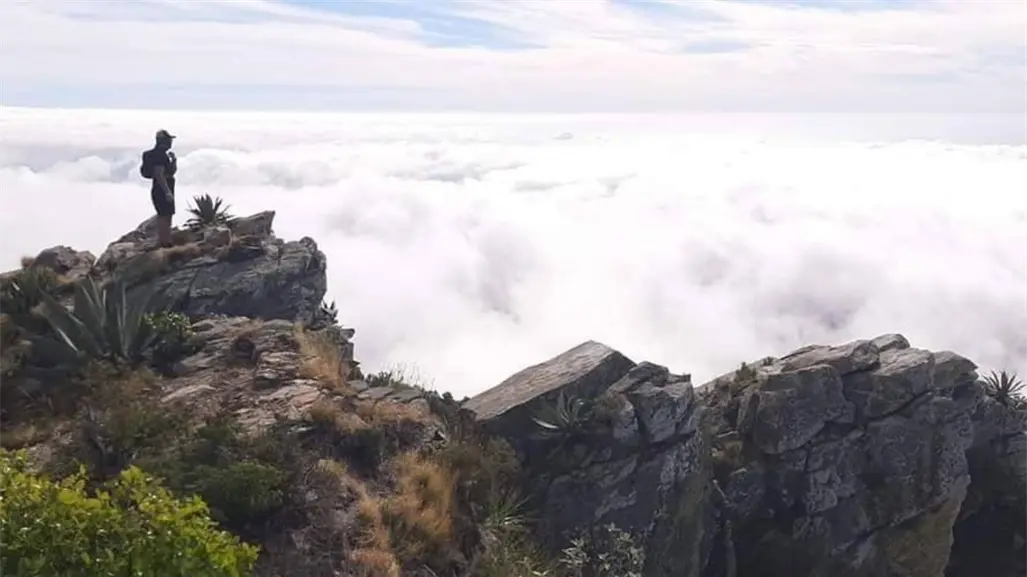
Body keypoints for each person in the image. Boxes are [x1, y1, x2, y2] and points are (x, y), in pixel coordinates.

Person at [141, 129, 178, 248]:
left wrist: (174, 161)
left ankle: (166, 240)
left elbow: (171, 171)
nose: (171, 142)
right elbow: (159, 174)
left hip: (161, 187)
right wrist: (167, 192)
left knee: (167, 213)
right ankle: (164, 242)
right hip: (162, 187)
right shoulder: (160, 155)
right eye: (169, 140)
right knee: (164, 215)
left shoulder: (162, 154)